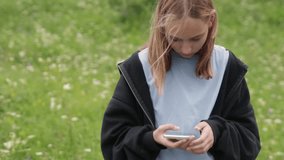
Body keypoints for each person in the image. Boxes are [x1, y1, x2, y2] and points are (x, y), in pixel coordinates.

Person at [101, 0, 261, 159]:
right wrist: (151, 139)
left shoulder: (226, 66)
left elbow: (249, 143)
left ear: (211, 21)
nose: (186, 49)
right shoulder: (139, 68)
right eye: (175, 39)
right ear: (162, 24)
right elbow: (114, 143)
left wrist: (217, 131)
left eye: (195, 38)